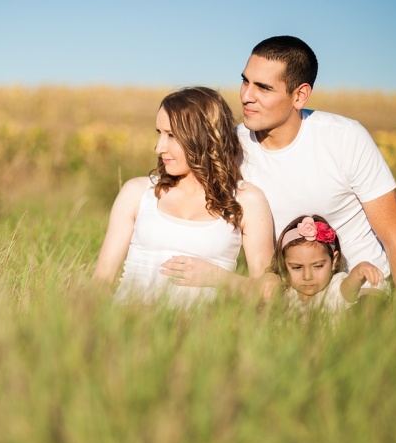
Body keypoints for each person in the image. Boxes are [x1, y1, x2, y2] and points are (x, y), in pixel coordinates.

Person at [167, 36, 396, 301]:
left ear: (299, 95)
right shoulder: (231, 147)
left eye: (263, 88)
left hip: (359, 291)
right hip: (284, 295)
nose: (246, 96)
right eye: (245, 81)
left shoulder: (346, 138)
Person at [91, 86, 274, 307]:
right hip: (129, 327)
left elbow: (270, 291)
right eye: (159, 134)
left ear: (203, 136)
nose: (159, 148)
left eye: (172, 135)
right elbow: (100, 283)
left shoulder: (247, 200)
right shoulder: (137, 193)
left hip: (203, 335)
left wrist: (217, 277)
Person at [269, 215, 385, 317]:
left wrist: (359, 271)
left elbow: (349, 287)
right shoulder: (287, 293)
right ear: (284, 264)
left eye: (318, 266)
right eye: (297, 267)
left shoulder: (334, 289)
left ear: (334, 261)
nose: (307, 276)